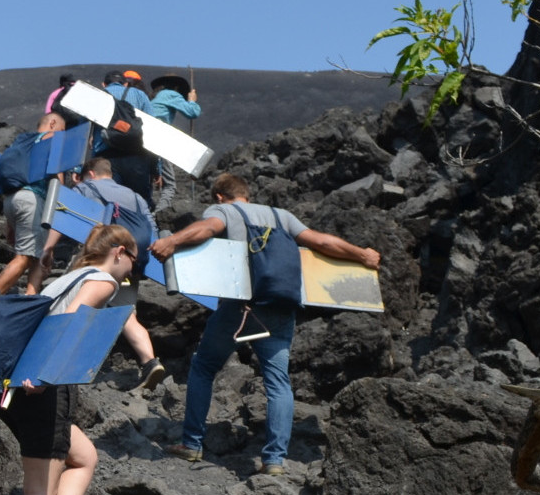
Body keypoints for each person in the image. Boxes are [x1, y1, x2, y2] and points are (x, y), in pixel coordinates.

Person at [150, 173, 381, 475]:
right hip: (280, 305)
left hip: (240, 306)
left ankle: (192, 444)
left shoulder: (223, 211)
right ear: (246, 193)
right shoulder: (281, 215)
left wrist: (172, 240)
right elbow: (321, 242)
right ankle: (274, 460)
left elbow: (207, 229)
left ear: (220, 196)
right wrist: (361, 254)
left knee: (205, 366)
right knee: (278, 382)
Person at [0, 224, 139, 495]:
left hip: (12, 389)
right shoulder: (102, 280)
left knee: (84, 456)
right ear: (119, 252)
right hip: (43, 387)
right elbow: (70, 323)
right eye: (133, 261)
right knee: (40, 492)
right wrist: (46, 373)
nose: (131, 272)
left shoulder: (67, 277)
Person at [72, 157, 168, 390]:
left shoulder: (85, 188)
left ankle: (77, 366)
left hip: (101, 261)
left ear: (91, 174)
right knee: (126, 314)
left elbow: (76, 223)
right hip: (129, 264)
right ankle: (149, 361)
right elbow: (152, 231)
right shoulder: (135, 197)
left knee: (83, 308)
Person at [0, 112, 68, 296]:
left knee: (36, 255)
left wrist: (11, 228)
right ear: (52, 123)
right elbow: (57, 177)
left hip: (11, 200)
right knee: (24, 258)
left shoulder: (23, 142)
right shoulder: (51, 138)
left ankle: (30, 297)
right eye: (62, 129)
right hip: (32, 199)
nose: (62, 134)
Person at [98, 70, 161, 209]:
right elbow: (153, 132)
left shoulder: (97, 97)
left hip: (106, 159)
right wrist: (156, 168)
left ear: (103, 84)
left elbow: (84, 132)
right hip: (137, 157)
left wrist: (78, 170)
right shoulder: (140, 95)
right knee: (139, 204)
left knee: (108, 205)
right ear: (125, 84)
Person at [147, 74, 202, 212]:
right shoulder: (170, 94)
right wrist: (192, 100)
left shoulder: (154, 97)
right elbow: (192, 112)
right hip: (158, 139)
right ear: (176, 87)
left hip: (146, 138)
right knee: (170, 185)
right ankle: (159, 215)